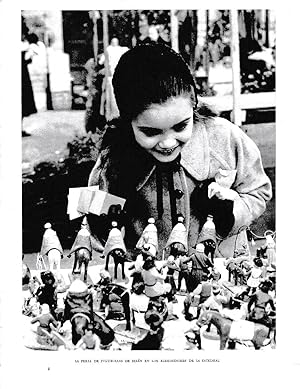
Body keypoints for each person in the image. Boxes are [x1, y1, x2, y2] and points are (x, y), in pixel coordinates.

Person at [88, 43, 272, 259]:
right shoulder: (113, 157)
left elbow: (258, 191)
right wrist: (108, 223)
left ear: (193, 102)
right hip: (149, 279)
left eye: (180, 126)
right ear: (128, 121)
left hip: (219, 273)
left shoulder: (225, 138)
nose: (167, 143)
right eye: (150, 132)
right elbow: (91, 221)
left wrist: (230, 213)